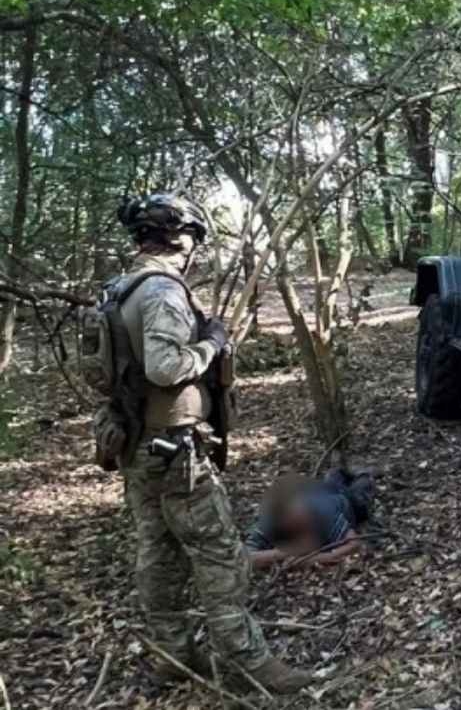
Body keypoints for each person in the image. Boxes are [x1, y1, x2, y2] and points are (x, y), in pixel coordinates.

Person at [110, 194, 314, 693]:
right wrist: (213, 344)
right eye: (193, 241)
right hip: (173, 450)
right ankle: (248, 662)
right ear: (181, 239)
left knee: (157, 552)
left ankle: (173, 656)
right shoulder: (160, 291)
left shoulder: (119, 288)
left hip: (136, 443)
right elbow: (164, 367)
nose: (193, 252)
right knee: (220, 551)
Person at [246, 467, 375, 570]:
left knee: (360, 491)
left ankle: (362, 474)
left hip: (344, 501)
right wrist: (284, 553)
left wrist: (316, 559)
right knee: (332, 482)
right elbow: (245, 557)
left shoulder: (321, 513)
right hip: (320, 492)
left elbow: (354, 544)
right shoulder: (270, 521)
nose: (303, 519)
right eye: (294, 519)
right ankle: (338, 473)